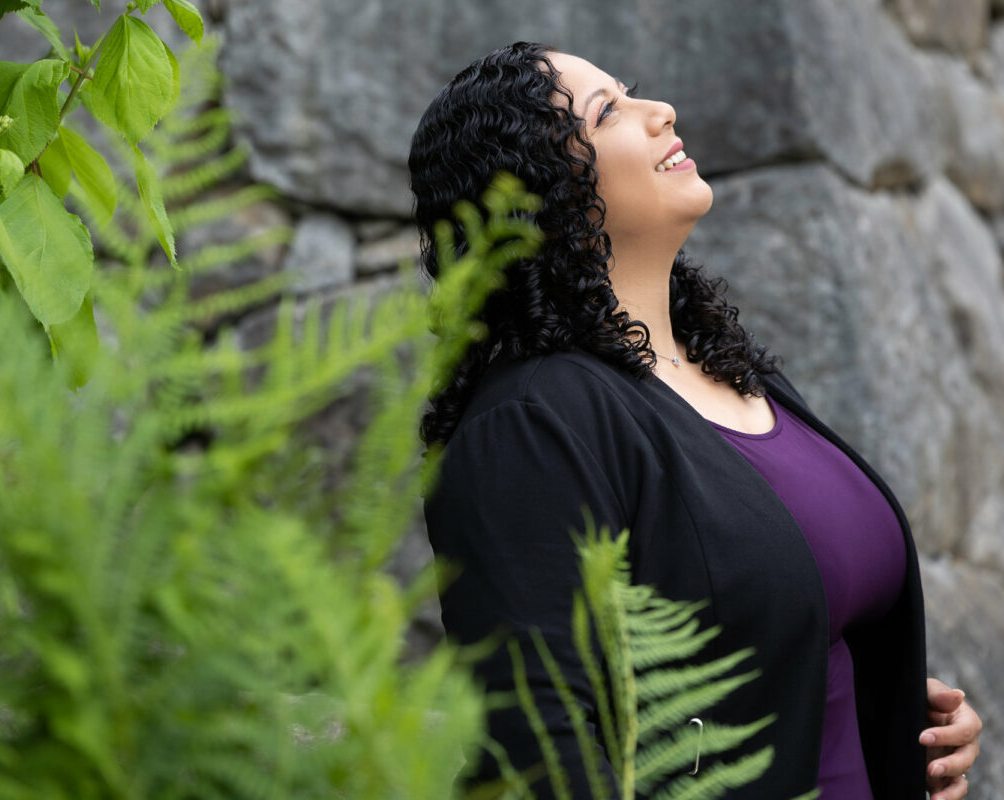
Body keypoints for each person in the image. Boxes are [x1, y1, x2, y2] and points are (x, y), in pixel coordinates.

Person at [408, 41, 982, 800]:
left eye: (632, 91)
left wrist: (893, 714)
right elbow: (541, 748)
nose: (660, 113)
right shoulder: (530, 423)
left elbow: (777, 625)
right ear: (531, 190)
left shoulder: (737, 373)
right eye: (607, 112)